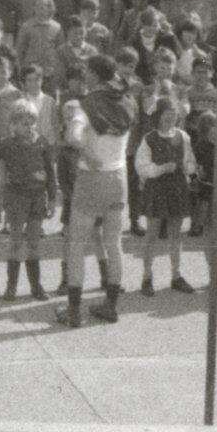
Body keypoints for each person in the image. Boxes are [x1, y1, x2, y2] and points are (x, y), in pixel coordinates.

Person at [56, 54, 136, 327]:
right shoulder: (127, 100)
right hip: (119, 178)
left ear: (93, 74)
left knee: (77, 245)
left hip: (92, 179)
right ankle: (110, 306)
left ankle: (73, 311)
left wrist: (87, 153)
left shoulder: (86, 105)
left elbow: (72, 136)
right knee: (114, 243)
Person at [0, 101, 56, 301]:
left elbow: (50, 172)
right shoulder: (6, 144)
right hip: (16, 197)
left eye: (31, 123)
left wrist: (52, 198)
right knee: (15, 242)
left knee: (34, 242)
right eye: (23, 123)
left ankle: (36, 286)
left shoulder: (42, 142)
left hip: (37, 197)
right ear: (13, 124)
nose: (28, 127)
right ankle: (11, 286)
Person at [134, 98, 196, 296]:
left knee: (175, 234)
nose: (170, 117)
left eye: (173, 113)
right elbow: (141, 167)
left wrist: (188, 167)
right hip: (156, 189)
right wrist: (161, 169)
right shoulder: (149, 139)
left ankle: (176, 276)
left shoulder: (183, 137)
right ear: (158, 116)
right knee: (152, 233)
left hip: (177, 187)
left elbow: (190, 161)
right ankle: (147, 277)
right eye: (166, 113)